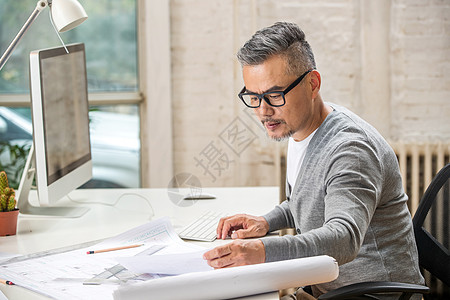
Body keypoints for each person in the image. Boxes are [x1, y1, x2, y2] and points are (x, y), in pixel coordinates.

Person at [203, 22, 425, 299]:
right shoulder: (299, 128)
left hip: (371, 294)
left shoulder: (350, 149)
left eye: (274, 95)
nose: (263, 111)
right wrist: (266, 221)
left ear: (312, 84)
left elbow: (344, 238)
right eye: (254, 96)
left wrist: (261, 251)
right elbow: (308, 199)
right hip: (327, 285)